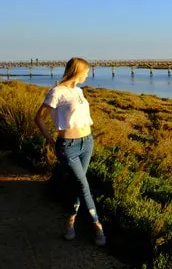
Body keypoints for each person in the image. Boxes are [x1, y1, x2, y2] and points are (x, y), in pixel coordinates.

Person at [34, 57, 106, 246]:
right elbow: (38, 118)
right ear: (77, 71)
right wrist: (50, 138)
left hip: (87, 142)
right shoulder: (56, 92)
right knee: (83, 185)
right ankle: (97, 225)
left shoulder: (79, 91)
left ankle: (70, 222)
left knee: (79, 184)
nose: (88, 75)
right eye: (86, 71)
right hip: (68, 146)